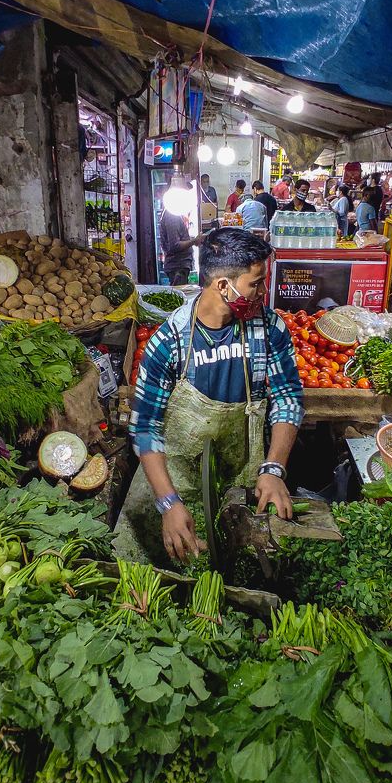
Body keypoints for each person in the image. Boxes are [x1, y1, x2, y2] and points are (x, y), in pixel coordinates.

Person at [114, 227, 304, 564]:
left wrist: (273, 469)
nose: (263, 292)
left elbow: (288, 397)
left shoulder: (268, 328)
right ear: (222, 285)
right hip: (174, 476)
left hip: (240, 476)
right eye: (256, 283)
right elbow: (145, 428)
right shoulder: (169, 341)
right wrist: (168, 503)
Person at [159, 208, 202, 286]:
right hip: (177, 266)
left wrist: (193, 240)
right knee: (178, 294)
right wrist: (194, 241)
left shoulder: (175, 214)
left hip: (180, 266)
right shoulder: (172, 216)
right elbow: (175, 245)